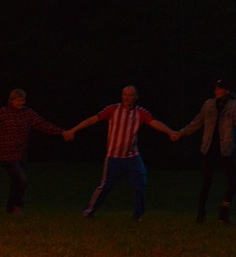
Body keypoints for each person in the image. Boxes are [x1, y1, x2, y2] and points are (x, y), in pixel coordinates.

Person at [65, 85, 177, 220]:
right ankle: (89, 211)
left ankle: (138, 215)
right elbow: (92, 119)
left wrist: (170, 131)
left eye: (130, 95)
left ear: (136, 97)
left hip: (132, 156)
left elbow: (154, 123)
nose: (127, 98)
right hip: (114, 157)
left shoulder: (140, 112)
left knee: (141, 182)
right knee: (105, 185)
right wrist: (73, 130)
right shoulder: (113, 109)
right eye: (125, 95)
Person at [0, 89, 65, 214]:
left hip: (20, 154)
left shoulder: (28, 114)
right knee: (21, 180)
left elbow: (43, 124)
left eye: (23, 100)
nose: (22, 103)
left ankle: (10, 209)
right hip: (6, 155)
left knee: (16, 182)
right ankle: (17, 207)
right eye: (19, 100)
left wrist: (61, 132)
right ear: (12, 101)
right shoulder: (3, 113)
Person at [177, 79, 236, 224]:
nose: (216, 90)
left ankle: (223, 211)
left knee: (233, 181)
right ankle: (200, 213)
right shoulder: (209, 104)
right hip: (209, 149)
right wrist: (181, 133)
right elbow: (197, 122)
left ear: (227, 91)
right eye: (216, 88)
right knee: (206, 182)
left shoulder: (233, 105)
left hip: (226, 149)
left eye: (220, 88)